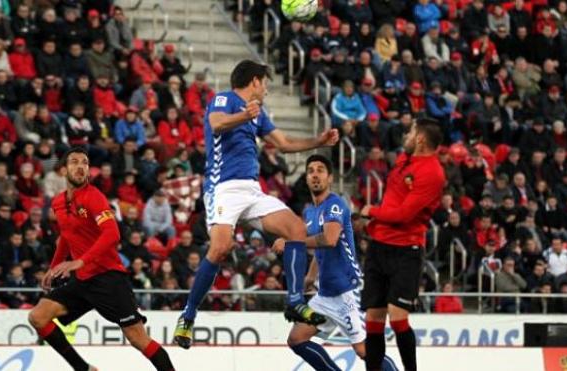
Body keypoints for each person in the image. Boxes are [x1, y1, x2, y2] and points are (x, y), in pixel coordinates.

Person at [174, 60, 339, 349]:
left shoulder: (257, 113)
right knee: (220, 248)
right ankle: (188, 316)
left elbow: (284, 143)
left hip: (251, 189)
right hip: (223, 188)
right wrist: (243, 116)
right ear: (253, 81)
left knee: (296, 229)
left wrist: (319, 141)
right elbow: (216, 124)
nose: (266, 89)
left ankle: (295, 302)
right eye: (264, 83)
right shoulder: (224, 99)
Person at [27, 148, 175, 371]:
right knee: (38, 317)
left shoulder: (93, 196)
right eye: (74, 162)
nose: (80, 167)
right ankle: (84, 369)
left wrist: (80, 261)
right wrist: (53, 267)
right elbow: (66, 237)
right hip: (83, 280)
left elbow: (112, 234)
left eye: (84, 163)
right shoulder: (58, 202)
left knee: (138, 339)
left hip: (109, 278)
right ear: (63, 169)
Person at [275, 155, 397, 371]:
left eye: (320, 170)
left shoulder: (335, 204)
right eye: (311, 170)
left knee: (364, 351)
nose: (315, 174)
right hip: (326, 294)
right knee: (297, 339)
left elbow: (329, 240)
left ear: (329, 178)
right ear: (306, 177)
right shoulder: (309, 211)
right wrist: (310, 277)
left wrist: (292, 243)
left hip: (348, 288)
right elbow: (320, 247)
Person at [360, 118, 445, 371]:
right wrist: (374, 225)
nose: (405, 135)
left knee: (398, 318)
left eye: (410, 132)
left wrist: (371, 211)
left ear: (420, 139)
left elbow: (404, 214)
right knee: (373, 318)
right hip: (379, 246)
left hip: (405, 250)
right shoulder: (404, 160)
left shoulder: (432, 172)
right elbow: (393, 200)